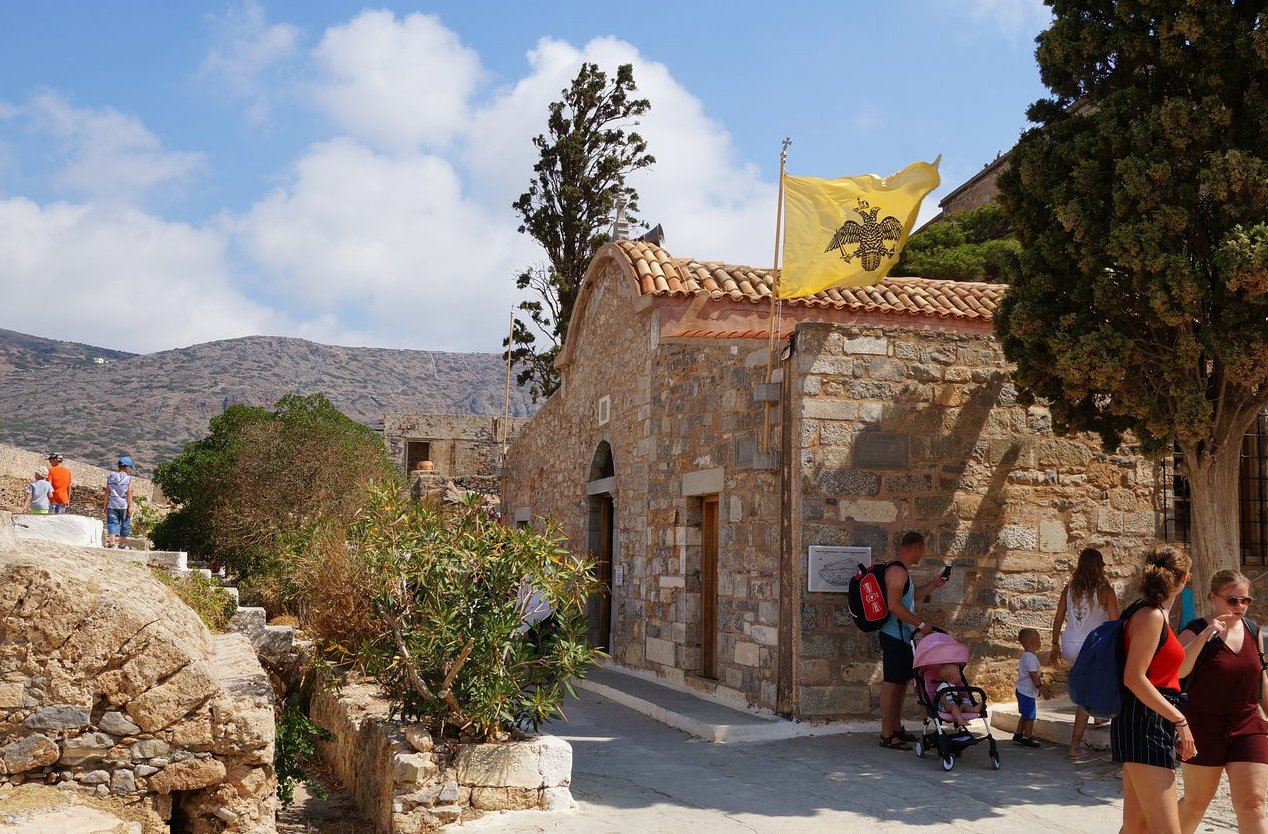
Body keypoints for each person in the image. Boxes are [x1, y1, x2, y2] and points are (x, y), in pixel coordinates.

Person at [1176, 569, 1268, 834]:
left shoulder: (1252, 630)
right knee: (1196, 804)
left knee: (1254, 803)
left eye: (1245, 600)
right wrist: (1206, 634)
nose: (1240, 606)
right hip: (1204, 726)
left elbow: (1261, 680)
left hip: (1248, 724)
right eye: (1232, 600)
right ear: (1213, 597)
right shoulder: (1195, 630)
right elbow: (1178, 671)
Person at [1112, 543, 1196, 834]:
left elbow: (1171, 673)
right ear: (1183, 578)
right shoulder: (1152, 616)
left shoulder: (1148, 612)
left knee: (1137, 826)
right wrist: (1180, 720)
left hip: (1144, 719)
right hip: (1146, 722)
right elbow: (1134, 678)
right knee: (1165, 830)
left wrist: (1204, 637)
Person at [878, 531, 950, 750]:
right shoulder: (897, 571)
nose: (922, 554)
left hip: (903, 636)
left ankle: (895, 728)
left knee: (901, 682)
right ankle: (886, 734)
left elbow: (909, 597)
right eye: (923, 549)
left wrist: (934, 584)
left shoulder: (902, 571)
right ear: (916, 548)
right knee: (891, 683)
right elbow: (894, 605)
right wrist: (921, 624)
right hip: (894, 634)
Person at [1050, 547, 1119, 759]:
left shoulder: (1069, 589)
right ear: (1099, 566)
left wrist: (1054, 644)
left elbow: (1059, 618)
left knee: (1089, 682)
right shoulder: (1106, 590)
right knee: (1086, 695)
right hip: (1092, 645)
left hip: (1069, 643)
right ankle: (1074, 747)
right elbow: (1115, 623)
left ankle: (1098, 716)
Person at [1015, 627, 1053, 747]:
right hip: (1026, 692)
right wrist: (1040, 687)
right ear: (1032, 642)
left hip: (1023, 690)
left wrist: (1036, 689)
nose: (1040, 642)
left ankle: (1018, 734)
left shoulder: (1026, 656)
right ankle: (1028, 737)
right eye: (1039, 639)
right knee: (1030, 716)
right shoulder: (1030, 658)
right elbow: (1033, 675)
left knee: (1025, 714)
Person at [103, 456, 134, 549]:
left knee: (112, 523)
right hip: (124, 505)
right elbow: (129, 493)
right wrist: (130, 506)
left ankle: (112, 543)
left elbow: (107, 492)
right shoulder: (128, 479)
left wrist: (105, 505)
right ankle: (121, 544)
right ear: (126, 467)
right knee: (125, 524)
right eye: (130, 468)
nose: (130, 470)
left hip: (112, 504)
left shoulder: (110, 477)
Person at [933, 661, 974, 727]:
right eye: (959, 673)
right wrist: (946, 704)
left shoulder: (953, 685)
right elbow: (941, 696)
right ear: (952, 678)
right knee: (954, 706)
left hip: (954, 703)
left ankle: (974, 709)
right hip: (945, 706)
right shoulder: (944, 686)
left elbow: (957, 695)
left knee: (964, 703)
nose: (960, 675)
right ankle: (960, 720)